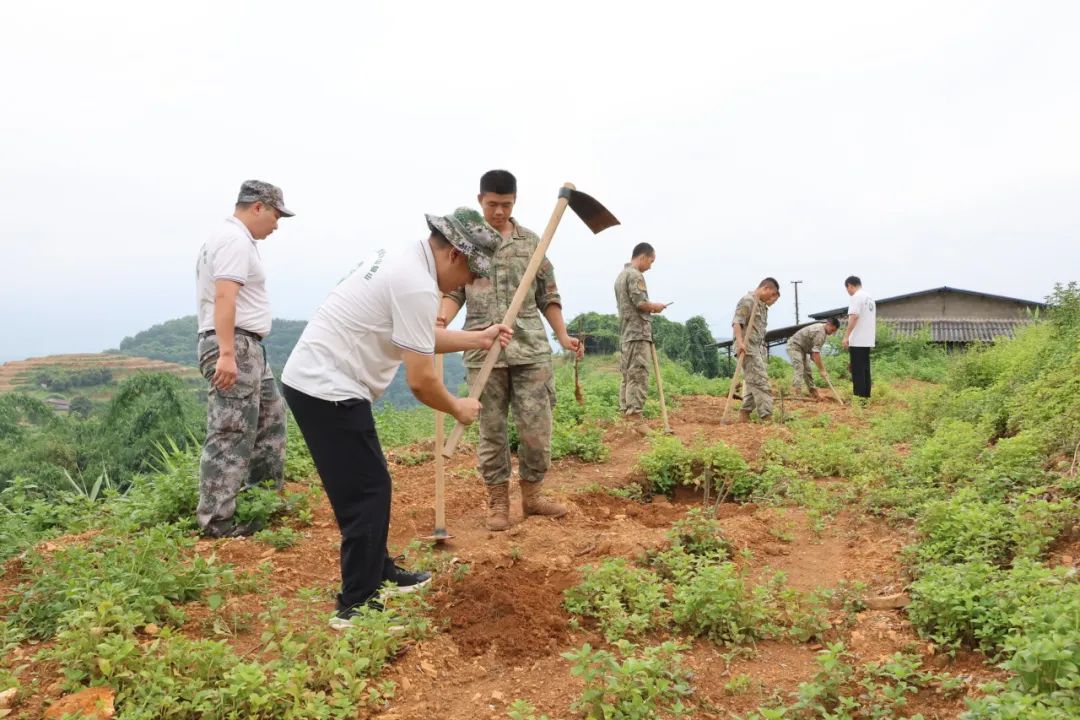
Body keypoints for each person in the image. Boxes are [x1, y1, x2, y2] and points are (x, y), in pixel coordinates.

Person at [281, 208, 511, 629]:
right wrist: (458, 406)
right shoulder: (416, 286)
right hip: (326, 388)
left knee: (370, 483)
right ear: (457, 255)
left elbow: (418, 336)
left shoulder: (405, 258)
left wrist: (478, 337)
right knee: (366, 493)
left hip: (322, 381)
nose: (464, 286)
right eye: (470, 275)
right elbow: (422, 381)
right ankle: (357, 604)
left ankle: (379, 569)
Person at [439, 170, 584, 532]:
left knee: (536, 427)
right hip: (480, 346)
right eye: (492, 205)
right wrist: (440, 321)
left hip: (530, 349)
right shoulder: (468, 243)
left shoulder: (532, 243)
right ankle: (498, 501)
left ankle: (532, 496)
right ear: (480, 201)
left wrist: (562, 337)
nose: (499, 212)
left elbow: (548, 295)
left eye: (506, 205)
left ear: (515, 202)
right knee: (490, 430)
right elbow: (454, 290)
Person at [195, 180, 294, 538]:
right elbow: (225, 298)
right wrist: (225, 353)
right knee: (231, 432)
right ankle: (216, 525)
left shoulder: (229, 238)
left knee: (271, 421)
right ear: (258, 207)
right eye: (275, 215)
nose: (277, 224)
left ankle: (259, 505)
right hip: (233, 345)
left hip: (247, 348)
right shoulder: (234, 240)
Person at [613, 242, 668, 419]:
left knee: (627, 375)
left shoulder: (621, 276)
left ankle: (625, 413)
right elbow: (641, 303)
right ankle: (635, 415)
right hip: (637, 333)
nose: (651, 266)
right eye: (651, 261)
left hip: (627, 333)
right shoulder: (635, 275)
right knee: (638, 373)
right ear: (643, 257)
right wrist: (656, 307)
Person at [731, 278, 781, 422]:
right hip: (747, 348)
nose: (770, 299)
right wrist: (740, 343)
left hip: (756, 348)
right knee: (761, 382)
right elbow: (737, 322)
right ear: (765, 288)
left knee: (753, 382)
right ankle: (767, 417)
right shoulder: (748, 300)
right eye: (771, 294)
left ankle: (744, 414)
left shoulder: (761, 305)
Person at [786, 317, 840, 398]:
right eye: (832, 330)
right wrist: (822, 370)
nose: (832, 333)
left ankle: (813, 391)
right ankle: (796, 393)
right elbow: (815, 353)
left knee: (808, 370)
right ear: (828, 324)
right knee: (800, 367)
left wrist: (821, 368)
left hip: (803, 349)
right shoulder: (820, 332)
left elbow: (813, 354)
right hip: (794, 346)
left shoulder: (823, 332)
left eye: (834, 331)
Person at [842, 276, 876, 400]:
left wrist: (846, 336)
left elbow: (854, 317)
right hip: (867, 339)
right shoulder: (870, 297)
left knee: (857, 371)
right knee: (865, 369)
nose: (848, 292)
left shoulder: (856, 297)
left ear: (850, 285)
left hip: (857, 340)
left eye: (847, 289)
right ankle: (866, 397)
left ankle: (859, 399)